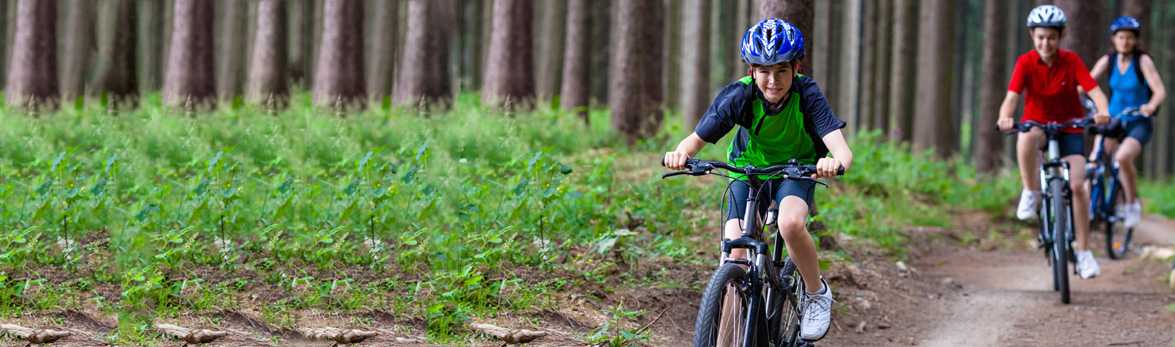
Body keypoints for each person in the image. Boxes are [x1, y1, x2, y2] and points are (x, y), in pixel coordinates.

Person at [663, 18, 852, 342]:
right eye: (763, 71)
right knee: (734, 253)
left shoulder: (807, 94)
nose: (773, 81)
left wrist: (833, 163)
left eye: (781, 70)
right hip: (747, 170)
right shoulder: (739, 95)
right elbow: (694, 140)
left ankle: (816, 292)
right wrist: (680, 154)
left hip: (795, 170)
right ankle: (725, 340)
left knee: (791, 224)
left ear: (795, 67)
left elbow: (841, 149)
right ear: (752, 71)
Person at [996, 5, 1110, 279]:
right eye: (1040, 37)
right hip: (1037, 125)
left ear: (1060, 37)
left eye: (1051, 38)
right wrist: (1005, 117)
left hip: (1070, 127)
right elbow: (1012, 98)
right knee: (1026, 137)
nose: (1046, 43)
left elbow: (1094, 91)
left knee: (1079, 186)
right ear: (1032, 37)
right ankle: (1031, 191)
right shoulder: (1025, 62)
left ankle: (1083, 253)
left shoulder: (1071, 61)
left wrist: (1103, 111)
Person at [1086, 15, 1167, 228]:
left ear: (1135, 40)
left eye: (1129, 38)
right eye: (1121, 37)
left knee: (1122, 158)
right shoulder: (1108, 60)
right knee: (1094, 161)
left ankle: (1132, 204)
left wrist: (1150, 106)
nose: (1125, 42)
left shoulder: (1143, 61)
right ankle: (1088, 207)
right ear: (1114, 39)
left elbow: (1159, 91)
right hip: (1112, 120)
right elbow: (1087, 82)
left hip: (1138, 121)